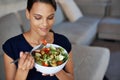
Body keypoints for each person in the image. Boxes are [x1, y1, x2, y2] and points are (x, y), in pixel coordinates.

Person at [2, 0, 74, 80]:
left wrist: (56, 69)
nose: (45, 24)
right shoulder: (11, 46)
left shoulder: (63, 42)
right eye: (38, 17)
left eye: (50, 17)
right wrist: (22, 71)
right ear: (27, 14)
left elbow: (71, 78)